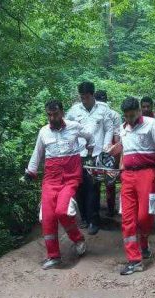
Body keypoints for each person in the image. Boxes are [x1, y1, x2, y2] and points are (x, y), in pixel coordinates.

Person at [24, 100, 95, 270]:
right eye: (49, 114)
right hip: (51, 179)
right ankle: (53, 256)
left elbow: (90, 137)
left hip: (70, 178)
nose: (52, 117)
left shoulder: (74, 126)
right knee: (47, 217)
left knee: (62, 211)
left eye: (55, 114)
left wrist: (90, 153)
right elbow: (38, 152)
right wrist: (30, 171)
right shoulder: (43, 132)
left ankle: (78, 239)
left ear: (62, 112)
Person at [109, 97, 155, 275]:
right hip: (127, 175)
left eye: (132, 115)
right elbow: (125, 149)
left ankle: (144, 243)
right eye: (126, 116)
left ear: (139, 111)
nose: (129, 119)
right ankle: (134, 260)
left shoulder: (151, 124)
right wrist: (118, 159)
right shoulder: (122, 127)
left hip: (147, 174)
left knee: (144, 217)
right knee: (127, 219)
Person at [66, 82, 113, 235]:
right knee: (79, 186)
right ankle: (84, 217)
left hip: (97, 153)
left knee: (93, 186)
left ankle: (94, 220)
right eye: (82, 97)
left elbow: (109, 128)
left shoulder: (103, 109)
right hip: (78, 154)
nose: (84, 100)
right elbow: (67, 129)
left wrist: (106, 146)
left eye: (86, 97)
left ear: (92, 95)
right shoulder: (74, 111)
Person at [94, 90, 121, 217]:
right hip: (110, 151)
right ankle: (110, 209)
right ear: (106, 99)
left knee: (95, 180)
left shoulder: (93, 114)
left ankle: (96, 208)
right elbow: (116, 137)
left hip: (94, 151)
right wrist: (117, 156)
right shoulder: (114, 114)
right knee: (110, 181)